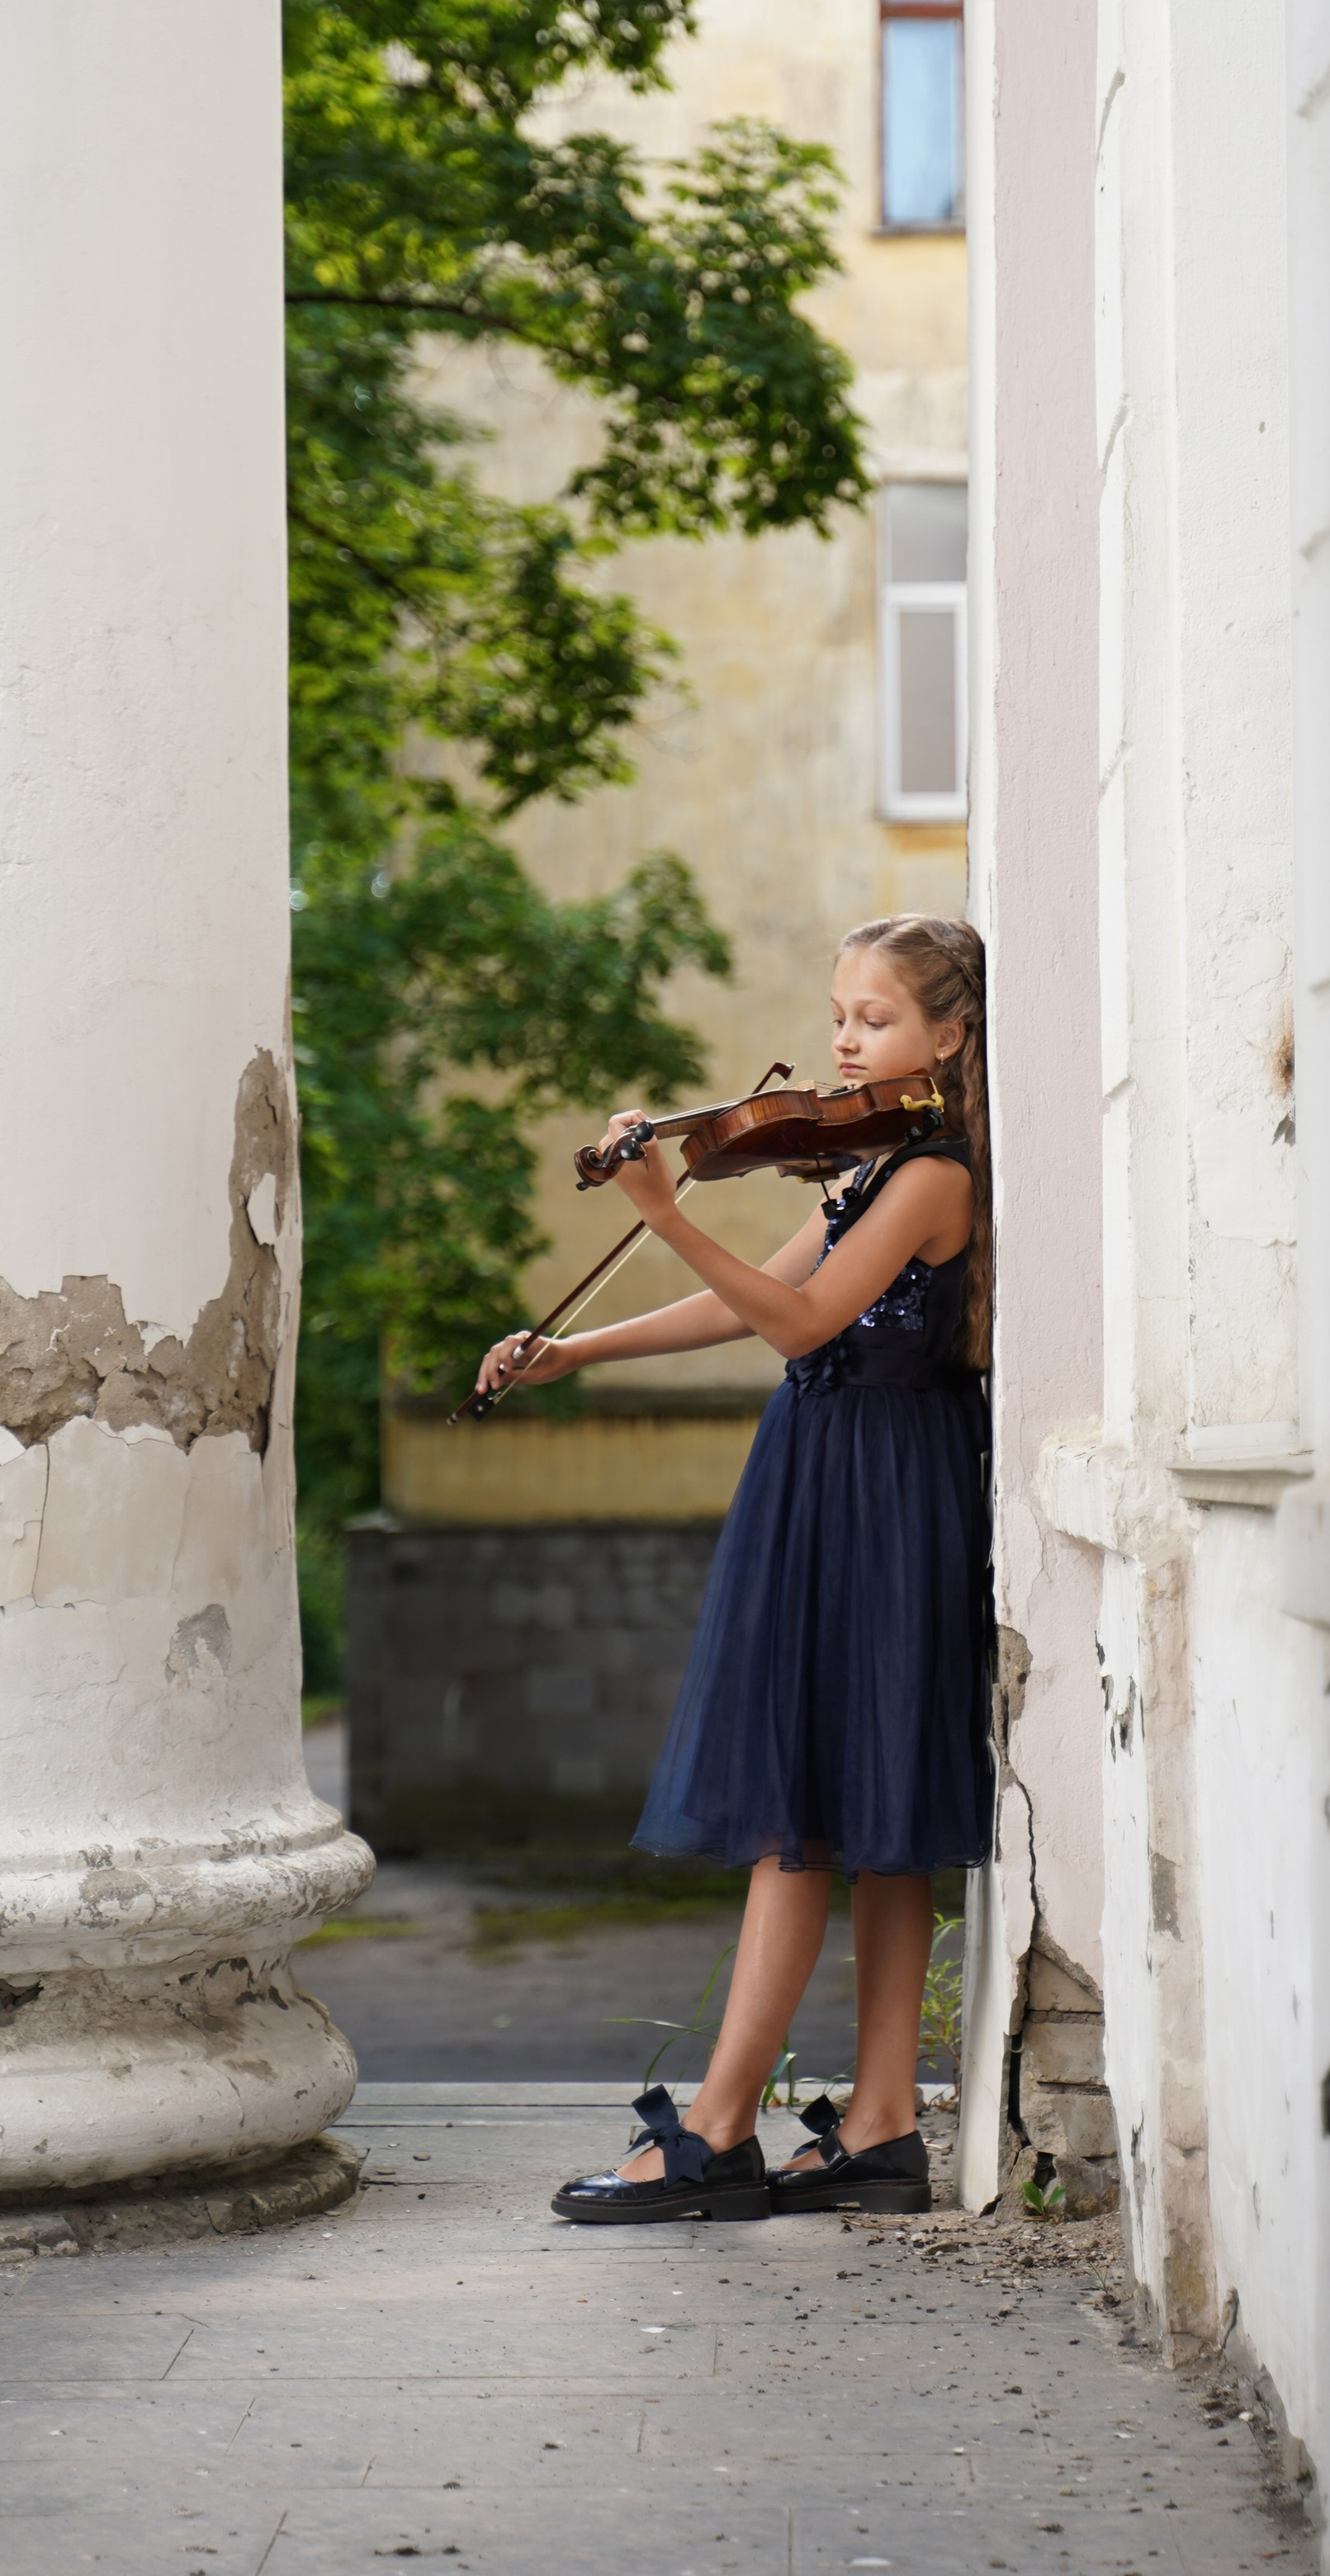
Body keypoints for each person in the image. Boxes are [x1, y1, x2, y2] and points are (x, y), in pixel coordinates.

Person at [472, 915, 995, 2228]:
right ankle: (881, 2126)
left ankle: (715, 2131)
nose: (843, 1042)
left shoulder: (932, 1178)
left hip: (881, 1494)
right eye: (839, 1015)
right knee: (869, 1820)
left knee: (803, 1813)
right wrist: (576, 1350)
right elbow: (750, 1297)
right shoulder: (868, 1170)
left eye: (875, 1019)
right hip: (836, 1481)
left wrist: (662, 1213)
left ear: (949, 1035)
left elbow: (801, 1324)